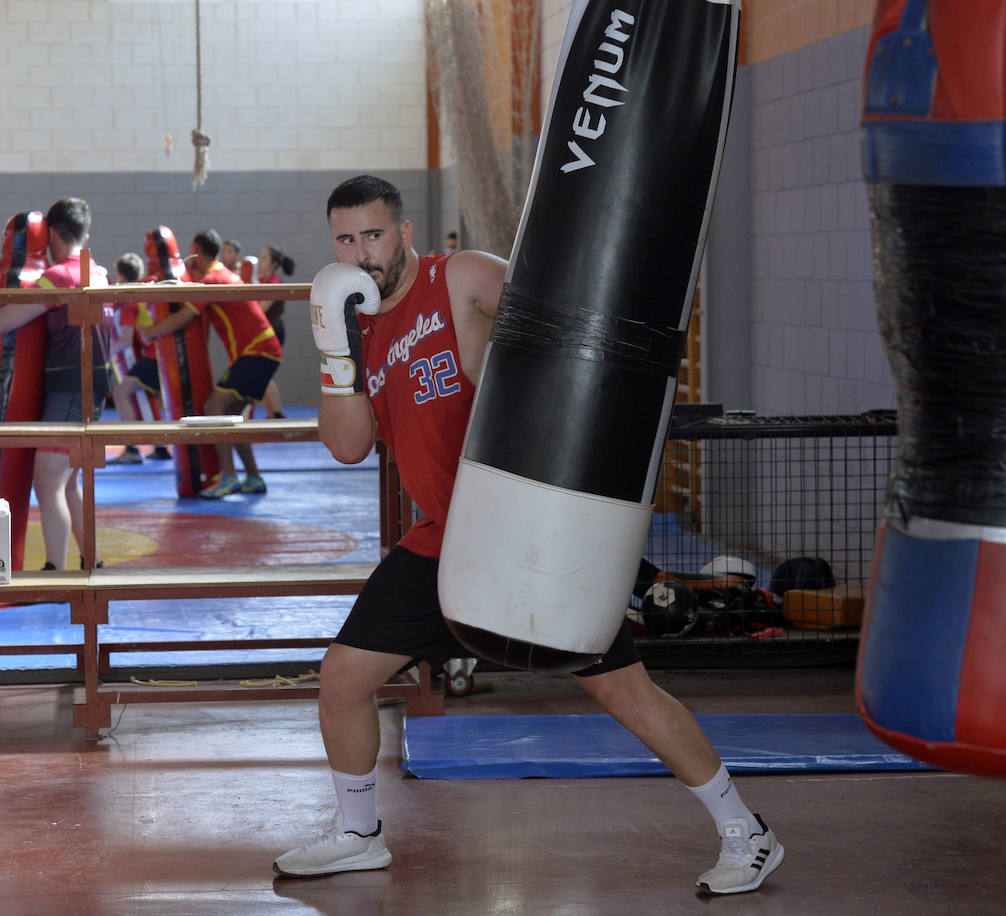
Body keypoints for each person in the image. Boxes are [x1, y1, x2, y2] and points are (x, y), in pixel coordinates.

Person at [273, 175, 784, 895]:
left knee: (625, 694)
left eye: (375, 234)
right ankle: (358, 833)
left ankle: (747, 833)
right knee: (344, 678)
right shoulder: (354, 325)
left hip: (530, 534)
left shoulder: (464, 278)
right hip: (440, 541)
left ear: (406, 232)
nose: (363, 253)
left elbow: (573, 332)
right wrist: (334, 352)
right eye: (346, 239)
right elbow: (348, 447)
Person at [0, 197, 115, 570]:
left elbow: (1, 324)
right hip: (93, 388)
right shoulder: (99, 272)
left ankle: (55, 572)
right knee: (68, 483)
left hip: (69, 389)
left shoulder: (60, 276)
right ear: (85, 233)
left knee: (47, 480)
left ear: (49, 237)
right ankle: (90, 562)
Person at [143, 229, 282, 498]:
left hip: (258, 351)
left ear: (196, 250)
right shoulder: (222, 275)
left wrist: (150, 331)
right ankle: (253, 477)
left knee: (213, 406)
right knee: (232, 417)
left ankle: (228, 477)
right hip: (261, 351)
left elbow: (184, 316)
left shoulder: (214, 278)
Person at [108, 252, 172, 464]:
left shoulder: (130, 304)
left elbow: (126, 339)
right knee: (146, 398)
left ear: (120, 275)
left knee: (120, 393)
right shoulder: (140, 298)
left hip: (154, 357)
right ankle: (160, 447)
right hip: (157, 355)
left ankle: (132, 448)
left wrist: (104, 352)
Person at [256, 245, 295, 420]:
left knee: (264, 372)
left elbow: (260, 309)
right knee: (260, 374)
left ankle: (277, 413)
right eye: (260, 257)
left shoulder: (274, 282)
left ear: (273, 264)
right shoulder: (258, 279)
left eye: (264, 258)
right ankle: (271, 413)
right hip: (261, 330)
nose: (260, 261)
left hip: (273, 329)